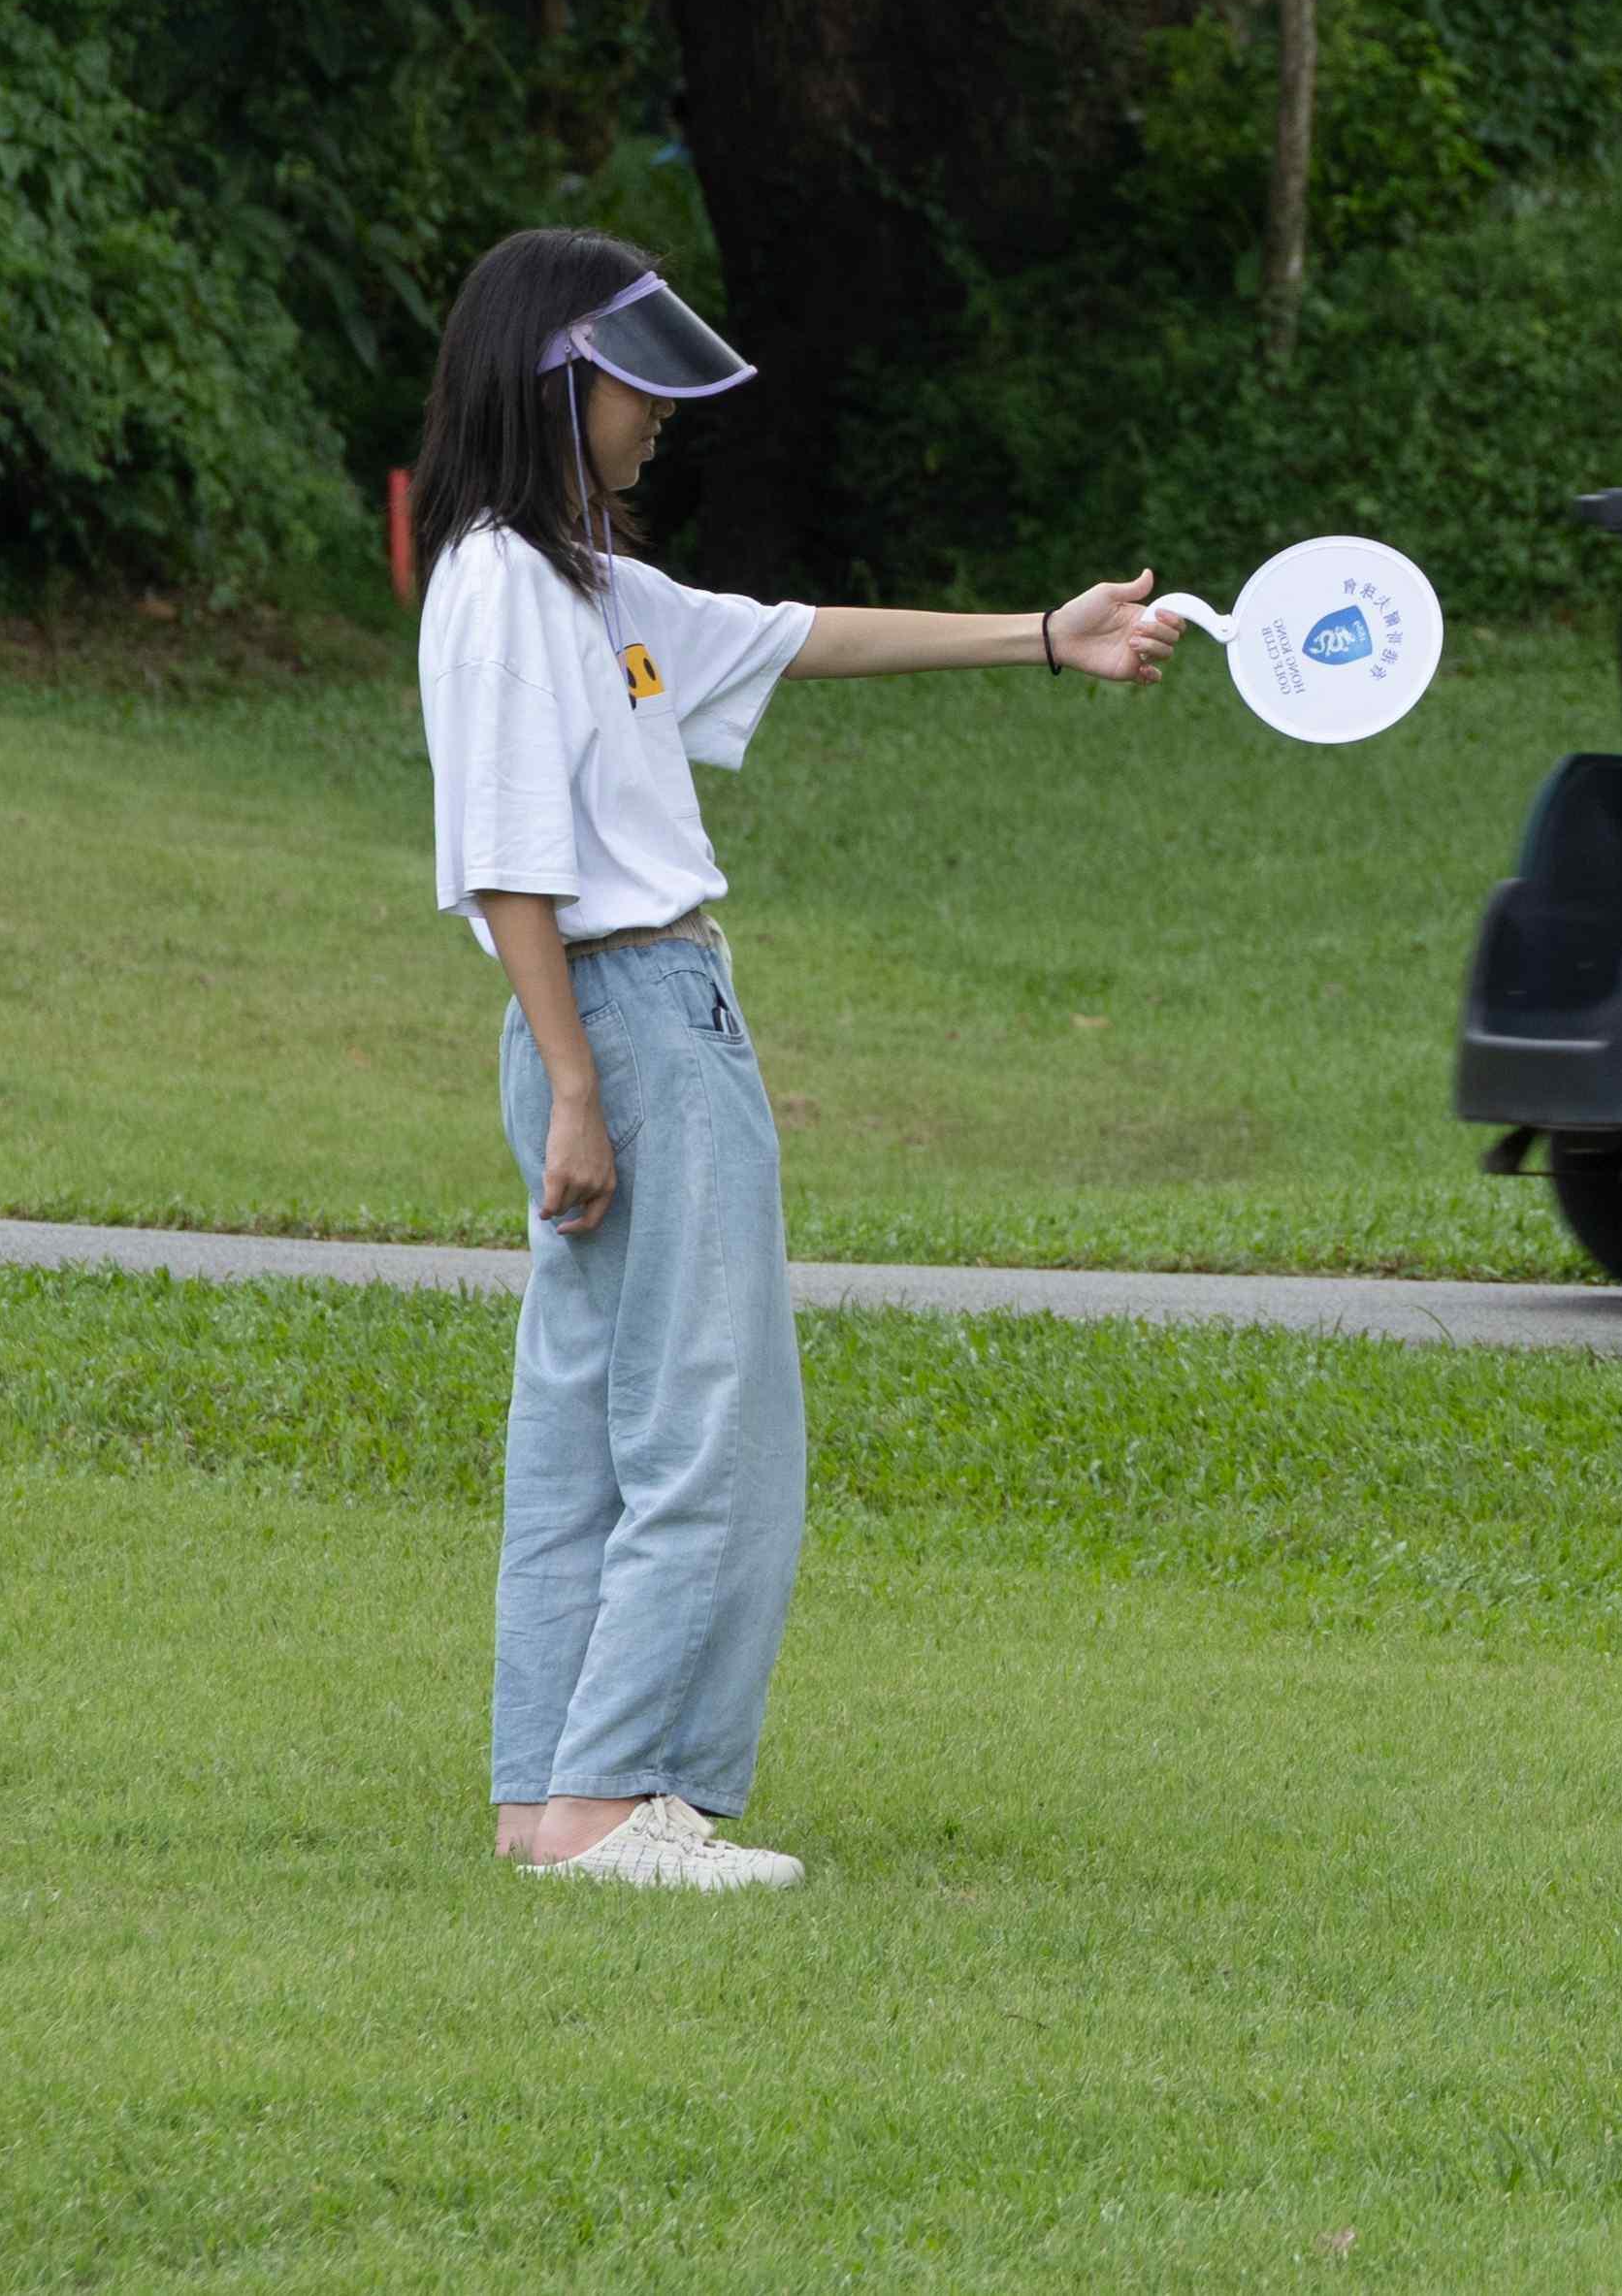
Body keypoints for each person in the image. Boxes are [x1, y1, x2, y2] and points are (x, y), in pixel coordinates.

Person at [412, 228, 1187, 1893]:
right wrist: (578, 1082)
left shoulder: (586, 586)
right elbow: (505, 859)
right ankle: (619, 1799)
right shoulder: (501, 586)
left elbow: (798, 633)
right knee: (715, 1421)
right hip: (628, 1023)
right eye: (635, 386)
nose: (659, 415)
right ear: (555, 384)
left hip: (614, 1023)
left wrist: (1045, 633)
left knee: (590, 1424)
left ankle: (549, 1800)